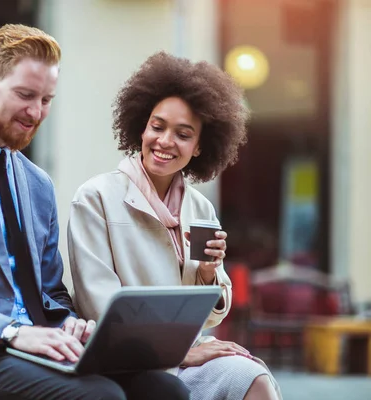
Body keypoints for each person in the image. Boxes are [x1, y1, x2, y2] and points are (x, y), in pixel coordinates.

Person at [0, 25, 189, 400]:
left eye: (46, 99)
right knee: (101, 396)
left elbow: (51, 293)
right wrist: (14, 332)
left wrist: (71, 326)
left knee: (164, 389)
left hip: (37, 346)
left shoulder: (37, 184)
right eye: (25, 95)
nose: (36, 112)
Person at [68, 52, 282, 400]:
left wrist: (210, 275)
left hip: (189, 355)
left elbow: (212, 315)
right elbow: (102, 311)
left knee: (254, 377)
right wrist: (180, 354)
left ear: (199, 146)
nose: (165, 141)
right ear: (141, 126)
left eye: (183, 134)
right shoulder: (95, 198)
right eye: (157, 126)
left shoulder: (199, 207)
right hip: (126, 363)